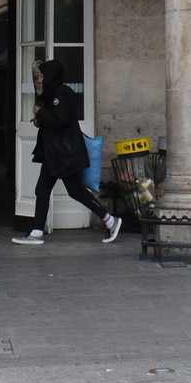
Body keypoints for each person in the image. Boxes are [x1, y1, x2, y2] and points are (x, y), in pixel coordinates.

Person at [13, 59, 122, 246]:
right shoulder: (51, 94)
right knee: (54, 189)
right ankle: (38, 230)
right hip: (55, 154)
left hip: (63, 154)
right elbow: (51, 120)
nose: (41, 79)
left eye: (44, 75)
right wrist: (39, 117)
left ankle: (110, 220)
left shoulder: (63, 93)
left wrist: (41, 113)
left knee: (71, 191)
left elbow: (60, 120)